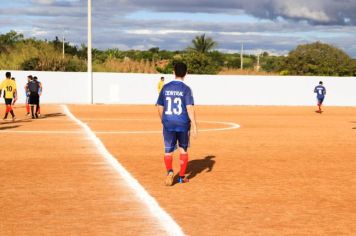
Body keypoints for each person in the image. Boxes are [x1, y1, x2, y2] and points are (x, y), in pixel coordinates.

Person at [156, 62, 197, 186]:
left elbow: (159, 106)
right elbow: (189, 107)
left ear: (173, 72)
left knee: (168, 151)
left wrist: (163, 120)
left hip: (168, 122)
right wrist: (194, 125)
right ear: (186, 73)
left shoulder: (166, 87)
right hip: (183, 123)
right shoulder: (186, 89)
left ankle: (169, 171)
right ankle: (181, 177)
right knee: (183, 149)